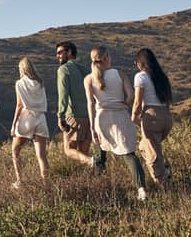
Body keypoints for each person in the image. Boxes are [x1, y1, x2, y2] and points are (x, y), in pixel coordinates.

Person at [84, 46, 148, 201]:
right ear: (106, 58)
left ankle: (100, 190)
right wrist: (123, 104)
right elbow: (131, 95)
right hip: (120, 116)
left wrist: (92, 127)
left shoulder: (88, 78)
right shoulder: (119, 73)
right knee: (128, 153)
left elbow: (90, 103)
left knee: (100, 155)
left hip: (101, 118)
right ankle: (142, 189)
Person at [131, 48, 173, 190]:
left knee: (152, 154)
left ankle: (162, 184)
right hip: (166, 116)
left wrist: (134, 116)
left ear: (140, 62)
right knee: (145, 147)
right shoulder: (162, 76)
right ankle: (164, 168)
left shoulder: (140, 77)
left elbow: (138, 101)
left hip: (151, 115)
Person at [56, 41, 103, 170]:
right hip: (89, 116)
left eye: (60, 52)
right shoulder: (85, 70)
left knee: (69, 150)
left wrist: (60, 116)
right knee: (83, 152)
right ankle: (89, 180)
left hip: (73, 116)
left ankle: (92, 162)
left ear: (69, 52)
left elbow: (63, 95)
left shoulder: (63, 70)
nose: (58, 56)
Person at [9, 57, 49, 189]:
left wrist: (14, 123)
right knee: (41, 155)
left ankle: (20, 180)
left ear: (22, 69)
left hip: (27, 117)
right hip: (41, 118)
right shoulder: (40, 82)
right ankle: (46, 184)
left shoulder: (19, 83)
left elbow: (19, 105)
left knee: (15, 150)